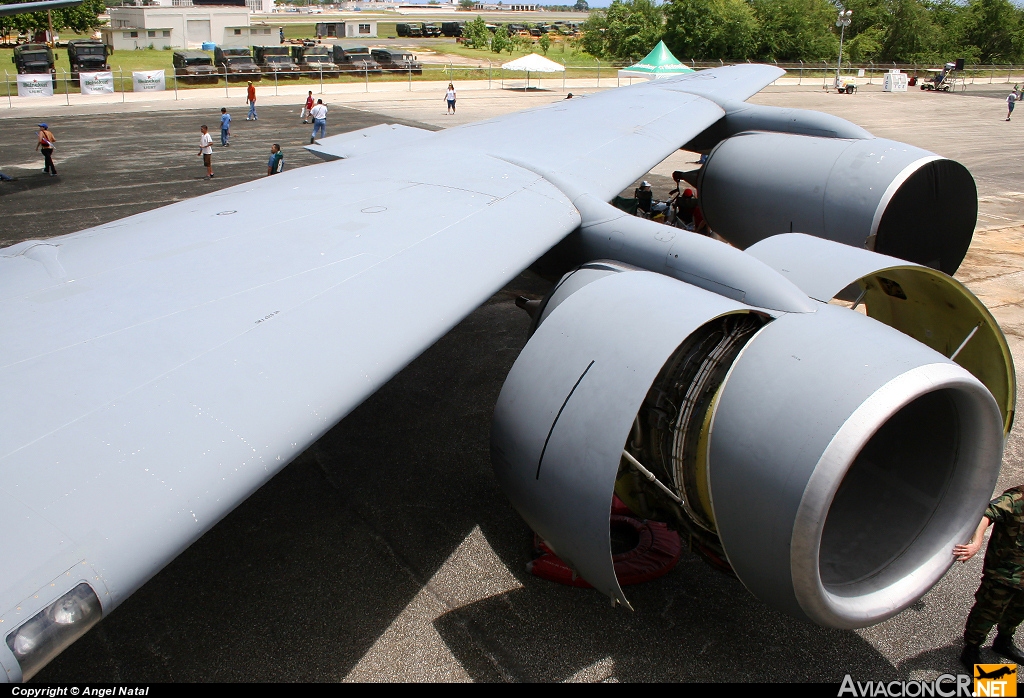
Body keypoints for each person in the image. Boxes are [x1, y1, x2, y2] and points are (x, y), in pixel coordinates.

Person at [954, 485, 1024, 669]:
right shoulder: (1015, 500)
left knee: (1017, 612)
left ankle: (1003, 642)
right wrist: (977, 543)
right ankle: (971, 649)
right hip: (1003, 574)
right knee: (988, 611)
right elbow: (985, 514)